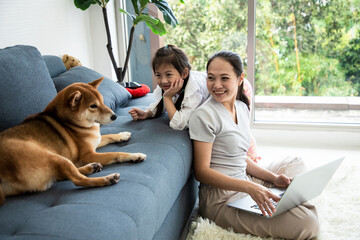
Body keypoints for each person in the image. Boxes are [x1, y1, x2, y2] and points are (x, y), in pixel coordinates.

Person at [188, 50, 319, 240]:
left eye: (224, 78)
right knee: (308, 222)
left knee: (295, 163)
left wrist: (273, 178)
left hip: (244, 179)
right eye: (211, 78)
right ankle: (280, 202)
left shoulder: (241, 108)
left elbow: (240, 156)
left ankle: (277, 196)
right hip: (221, 200)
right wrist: (250, 188)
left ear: (240, 79)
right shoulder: (203, 116)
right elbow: (202, 172)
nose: (216, 85)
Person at [128, 45, 209, 130]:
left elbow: (179, 125)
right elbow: (160, 104)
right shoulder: (167, 84)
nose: (163, 81)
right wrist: (146, 113)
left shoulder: (194, 90)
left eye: (169, 74)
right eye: (158, 75)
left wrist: (167, 97)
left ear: (184, 73)